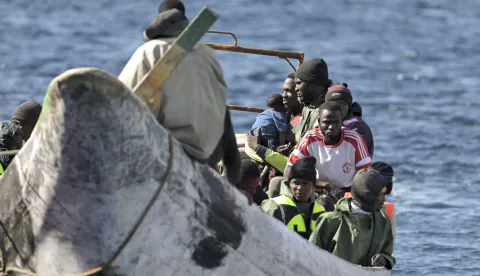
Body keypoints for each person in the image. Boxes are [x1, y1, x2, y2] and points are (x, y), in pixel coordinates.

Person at [118, 0, 240, 185]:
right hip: (207, 154)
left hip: (165, 156)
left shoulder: (148, 51)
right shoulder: (207, 54)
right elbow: (220, 96)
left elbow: (122, 103)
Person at [309, 168, 396, 269]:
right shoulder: (330, 221)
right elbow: (311, 257)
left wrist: (385, 259)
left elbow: (388, 254)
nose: (384, 199)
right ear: (369, 196)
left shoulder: (383, 221)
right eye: (381, 194)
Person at [285, 102, 372, 194]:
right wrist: (325, 185)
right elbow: (289, 170)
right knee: (277, 182)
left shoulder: (354, 139)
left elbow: (365, 174)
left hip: (346, 192)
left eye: (336, 122)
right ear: (319, 122)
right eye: (326, 122)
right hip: (317, 189)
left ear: (341, 122)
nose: (331, 127)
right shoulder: (310, 138)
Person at [261, 156, 325, 239]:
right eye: (296, 183)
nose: (300, 188)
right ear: (289, 184)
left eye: (305, 183)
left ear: (313, 186)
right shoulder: (274, 206)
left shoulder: (321, 211)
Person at [325, 83, 374, 156]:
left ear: (349, 107)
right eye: (333, 104)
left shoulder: (360, 128)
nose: (338, 108)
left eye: (342, 104)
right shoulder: (323, 125)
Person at [293, 58, 332, 142]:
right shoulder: (308, 106)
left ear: (312, 84)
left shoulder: (327, 113)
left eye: (299, 83)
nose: (295, 89)